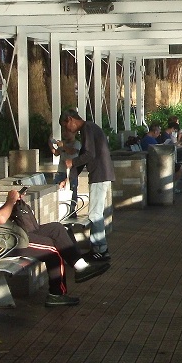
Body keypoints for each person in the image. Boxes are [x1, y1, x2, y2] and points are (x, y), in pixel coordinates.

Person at [0, 154, 109, 307]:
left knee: (56, 229)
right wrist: (10, 200)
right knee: (52, 250)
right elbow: (0, 218)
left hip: (9, 236)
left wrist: (14, 202)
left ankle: (80, 266)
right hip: (1, 244)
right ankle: (56, 294)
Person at [59, 108, 115, 262]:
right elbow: (85, 155)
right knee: (96, 213)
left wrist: (71, 162)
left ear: (70, 119)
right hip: (100, 174)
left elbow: (88, 155)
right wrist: (69, 178)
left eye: (65, 126)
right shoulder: (89, 128)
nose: (66, 130)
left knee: (95, 214)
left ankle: (101, 250)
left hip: (100, 174)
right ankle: (97, 248)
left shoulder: (87, 128)